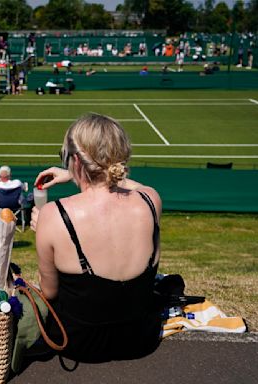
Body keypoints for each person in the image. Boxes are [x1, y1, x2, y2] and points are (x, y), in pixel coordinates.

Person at [30, 113, 162, 363]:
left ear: (76, 160)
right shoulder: (151, 201)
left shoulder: (54, 216)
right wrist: (81, 173)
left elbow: (49, 292)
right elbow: (131, 185)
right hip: (140, 339)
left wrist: (77, 175)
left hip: (80, 344)